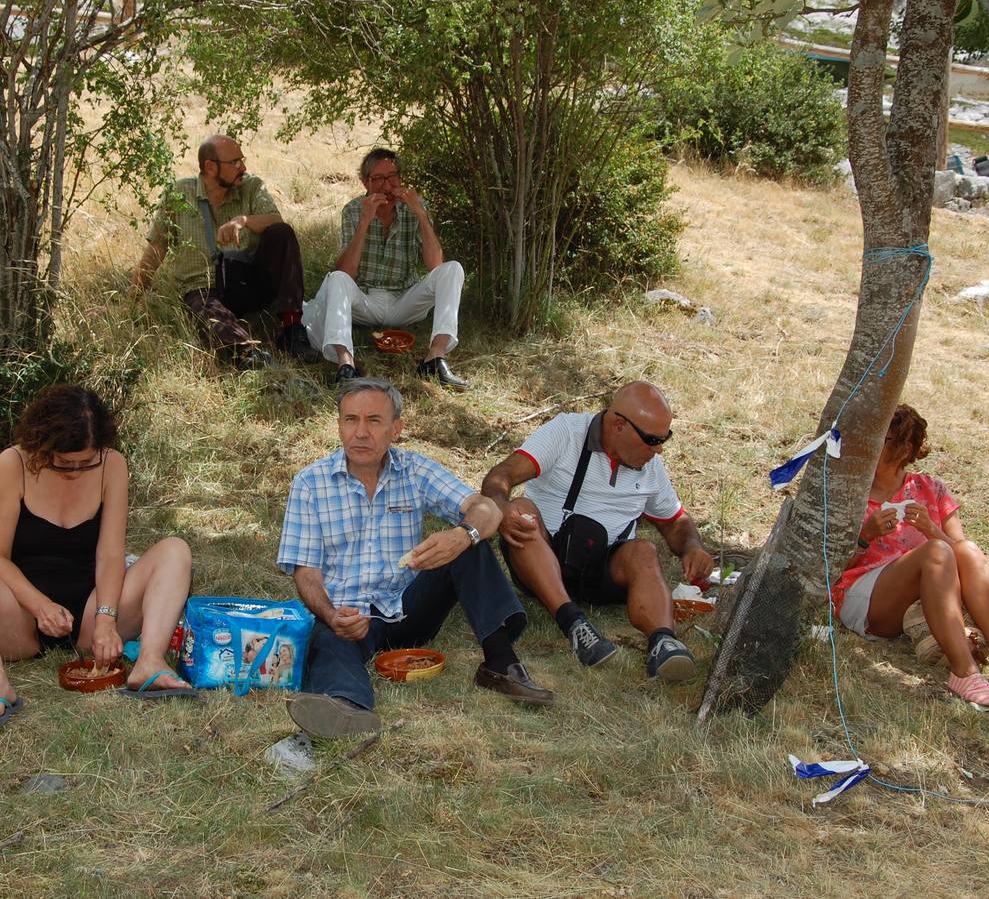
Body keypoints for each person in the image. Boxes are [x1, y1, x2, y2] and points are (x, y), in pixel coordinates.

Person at [277, 378, 554, 738]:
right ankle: (346, 707)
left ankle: (501, 663)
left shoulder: (415, 470)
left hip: (408, 609)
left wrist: (462, 535)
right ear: (339, 425)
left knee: (469, 544)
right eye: (350, 420)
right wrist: (331, 614)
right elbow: (307, 574)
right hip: (349, 615)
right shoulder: (310, 483)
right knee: (326, 638)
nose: (360, 432)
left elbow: (485, 508)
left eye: (374, 421)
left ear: (396, 429)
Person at [0, 385, 197, 730]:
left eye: (85, 463)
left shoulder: (112, 464)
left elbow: (110, 554)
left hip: (91, 613)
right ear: (42, 445)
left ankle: (149, 663)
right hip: (20, 617)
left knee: (175, 550)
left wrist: (106, 619)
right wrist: (39, 606)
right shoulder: (12, 464)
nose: (75, 471)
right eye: (64, 463)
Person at [481, 381, 710, 680]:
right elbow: (502, 473)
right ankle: (574, 625)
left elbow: (675, 520)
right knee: (523, 511)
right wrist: (501, 506)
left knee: (644, 550)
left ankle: (664, 642)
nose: (659, 450)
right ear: (618, 425)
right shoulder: (566, 433)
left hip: (604, 570)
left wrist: (692, 546)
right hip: (544, 561)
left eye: (664, 438)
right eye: (652, 439)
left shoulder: (649, 464)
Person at [833, 404, 989, 710]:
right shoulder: (849, 490)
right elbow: (828, 568)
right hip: (866, 598)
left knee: (967, 550)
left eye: (882, 438)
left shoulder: (930, 488)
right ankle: (965, 672)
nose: (869, 443)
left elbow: (962, 555)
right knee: (935, 552)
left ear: (905, 449)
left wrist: (931, 529)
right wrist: (865, 536)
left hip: (927, 594)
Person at [130, 134, 318, 369]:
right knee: (209, 311)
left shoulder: (251, 186)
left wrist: (244, 220)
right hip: (204, 288)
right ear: (210, 167)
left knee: (281, 232)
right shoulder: (178, 194)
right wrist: (131, 303)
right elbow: (155, 251)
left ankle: (292, 330)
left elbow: (275, 220)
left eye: (242, 160)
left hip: (248, 283)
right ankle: (247, 352)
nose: (243, 167)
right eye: (235, 162)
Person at [300, 148, 470, 389]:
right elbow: (347, 272)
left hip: (404, 299)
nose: (387, 185)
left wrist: (421, 214)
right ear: (365, 182)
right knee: (337, 278)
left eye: (393, 177)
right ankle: (345, 364)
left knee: (453, 269)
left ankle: (435, 357)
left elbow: (435, 265)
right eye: (378, 179)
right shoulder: (353, 210)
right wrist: (365, 221)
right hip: (365, 301)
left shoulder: (415, 207)